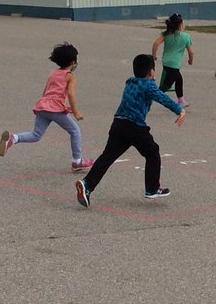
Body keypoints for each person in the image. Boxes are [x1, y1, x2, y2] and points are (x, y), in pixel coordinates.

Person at [75, 54, 186, 207]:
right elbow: (162, 97)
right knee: (152, 152)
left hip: (119, 124)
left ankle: (87, 183)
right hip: (135, 126)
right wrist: (179, 110)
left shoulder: (130, 82)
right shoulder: (148, 85)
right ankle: (152, 188)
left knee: (107, 156)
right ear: (151, 72)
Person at [0, 42, 93, 172]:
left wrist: (44, 104)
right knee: (75, 131)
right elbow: (70, 94)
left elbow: (46, 90)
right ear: (73, 62)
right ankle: (77, 161)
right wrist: (76, 112)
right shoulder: (70, 76)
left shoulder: (53, 73)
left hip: (43, 105)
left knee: (36, 134)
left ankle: (14, 138)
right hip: (54, 108)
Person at [151, 12, 195, 107]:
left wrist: (154, 55)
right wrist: (190, 60)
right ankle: (148, 99)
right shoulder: (186, 36)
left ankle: (181, 100)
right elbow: (191, 52)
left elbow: (156, 43)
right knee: (165, 85)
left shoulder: (166, 34)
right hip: (174, 64)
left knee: (179, 79)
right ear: (180, 25)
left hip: (166, 62)